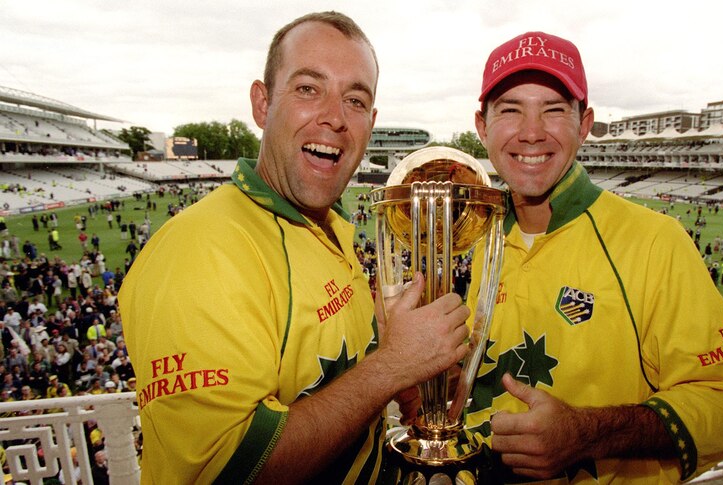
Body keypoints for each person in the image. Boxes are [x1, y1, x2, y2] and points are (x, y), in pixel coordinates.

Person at [119, 11, 470, 484]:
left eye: (355, 100)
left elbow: (328, 381)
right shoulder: (198, 253)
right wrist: (390, 368)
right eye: (308, 88)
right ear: (262, 104)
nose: (334, 117)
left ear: (372, 121)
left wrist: (402, 377)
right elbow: (225, 470)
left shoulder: (330, 229)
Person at [456, 31, 723, 482]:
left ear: (584, 124)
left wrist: (587, 435)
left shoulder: (655, 241)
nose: (531, 132)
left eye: (554, 109)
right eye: (509, 110)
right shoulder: (477, 238)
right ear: (482, 127)